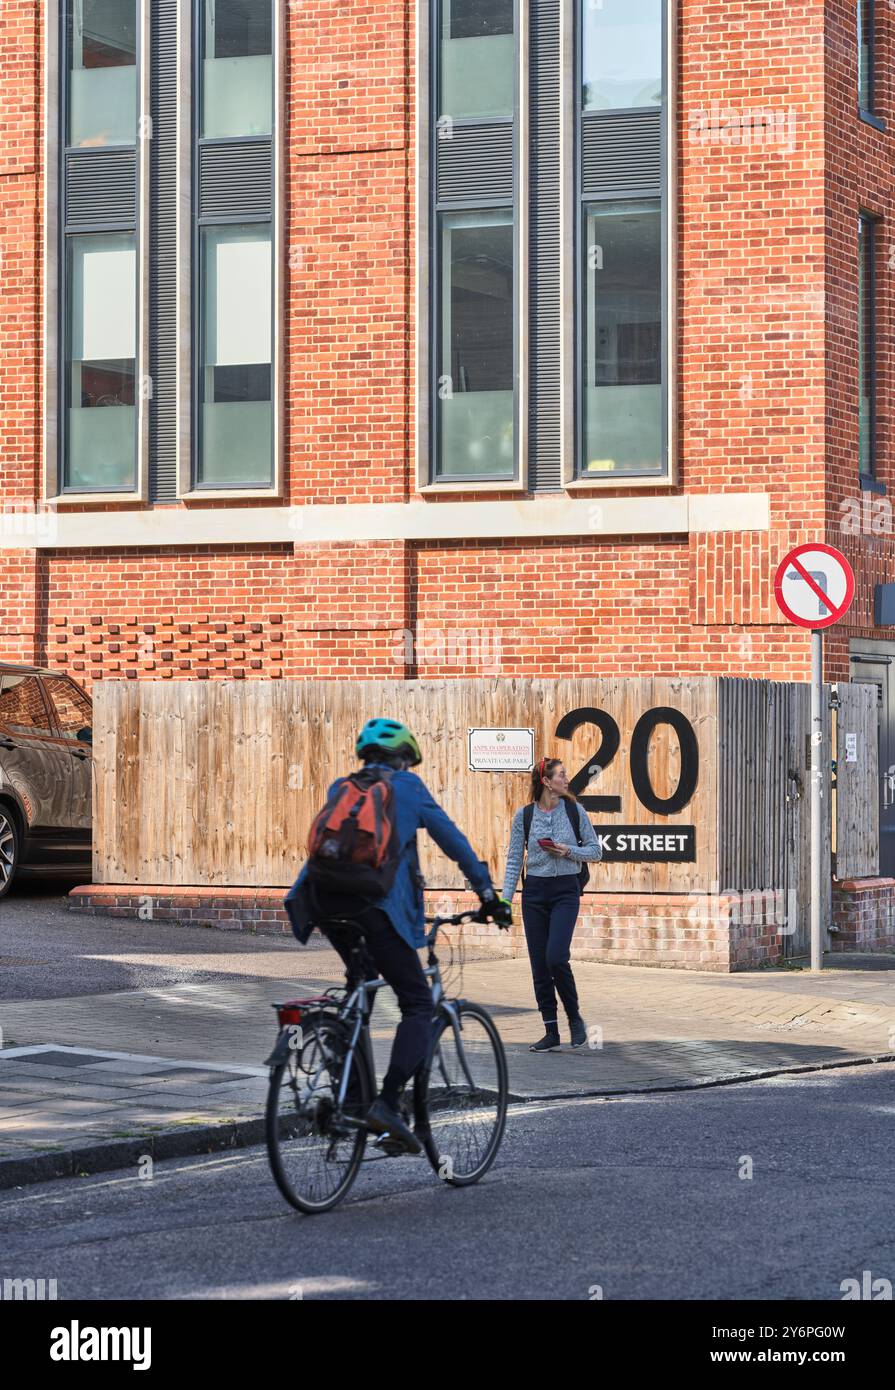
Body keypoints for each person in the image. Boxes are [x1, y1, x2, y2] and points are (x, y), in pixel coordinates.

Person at [287, 717, 512, 1155]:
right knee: (416, 1003)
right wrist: (488, 895)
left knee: (360, 993)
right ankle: (387, 1105)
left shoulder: (342, 786)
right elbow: (455, 843)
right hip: (375, 909)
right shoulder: (408, 788)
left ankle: (350, 1100)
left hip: (324, 904)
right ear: (405, 758)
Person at [502, 757, 602, 1052]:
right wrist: (504, 900)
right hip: (533, 893)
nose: (566, 779)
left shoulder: (574, 810)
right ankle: (550, 1030)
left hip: (565, 892)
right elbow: (512, 861)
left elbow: (595, 852)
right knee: (539, 966)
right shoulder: (524, 816)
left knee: (556, 957)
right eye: (561, 775)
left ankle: (574, 1018)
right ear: (546, 781)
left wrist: (567, 851)